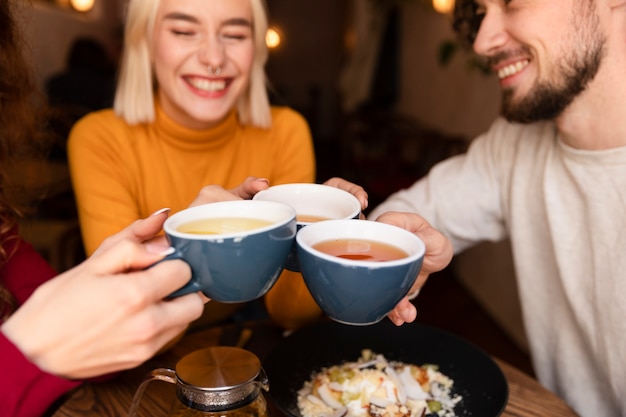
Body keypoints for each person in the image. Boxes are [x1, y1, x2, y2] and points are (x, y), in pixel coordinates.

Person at [331, 0, 626, 415]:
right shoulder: (514, 142)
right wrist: (389, 262)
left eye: (511, 3)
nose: (484, 41)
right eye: (482, 9)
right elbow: (408, 215)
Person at [0, 1, 206, 415]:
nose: (212, 57)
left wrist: (185, 239)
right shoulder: (101, 120)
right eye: (182, 32)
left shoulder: (6, 237)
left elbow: (97, 345)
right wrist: (32, 352)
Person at [67, 0, 318, 327]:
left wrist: (320, 239)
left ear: (256, 50)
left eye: (235, 35)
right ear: (144, 41)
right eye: (184, 31)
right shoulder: (99, 138)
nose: (214, 59)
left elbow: (291, 313)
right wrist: (193, 232)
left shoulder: (286, 131)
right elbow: (129, 322)